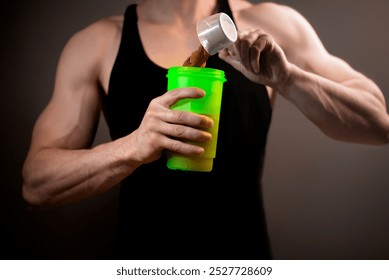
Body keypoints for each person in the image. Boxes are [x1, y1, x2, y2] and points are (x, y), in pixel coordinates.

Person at [22, 0, 389, 260]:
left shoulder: (271, 26)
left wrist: (289, 79)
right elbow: (37, 184)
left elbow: (378, 124)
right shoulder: (98, 43)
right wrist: (133, 146)